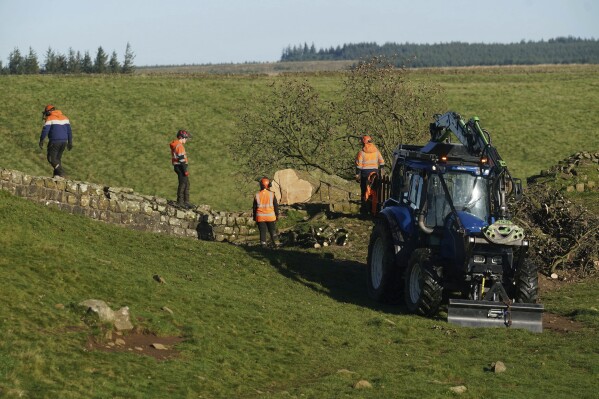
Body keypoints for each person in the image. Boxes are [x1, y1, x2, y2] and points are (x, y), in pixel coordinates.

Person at [39, 105, 73, 178]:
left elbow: (45, 130)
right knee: (57, 159)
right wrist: (70, 142)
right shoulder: (65, 118)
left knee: (51, 158)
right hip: (64, 142)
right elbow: (69, 131)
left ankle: (61, 172)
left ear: (49, 111)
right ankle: (57, 176)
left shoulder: (50, 118)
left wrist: (41, 140)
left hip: (55, 141)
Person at [355, 135, 385, 214]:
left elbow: (359, 166)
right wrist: (380, 171)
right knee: (374, 192)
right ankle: (374, 209)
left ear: (363, 142)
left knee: (364, 191)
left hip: (365, 174)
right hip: (375, 174)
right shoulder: (377, 151)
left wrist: (357, 175)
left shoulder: (361, 153)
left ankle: (364, 209)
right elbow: (382, 163)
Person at [253, 177, 280, 248]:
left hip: (260, 217)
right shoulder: (272, 194)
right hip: (271, 217)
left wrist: (254, 218)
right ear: (268, 185)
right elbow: (276, 206)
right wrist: (277, 215)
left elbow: (254, 208)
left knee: (262, 232)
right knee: (273, 231)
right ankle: (277, 244)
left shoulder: (257, 195)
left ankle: (263, 246)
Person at [169, 129, 193, 209]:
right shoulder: (180, 146)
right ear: (182, 138)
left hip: (178, 166)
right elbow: (181, 159)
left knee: (186, 183)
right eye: (186, 138)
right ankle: (180, 202)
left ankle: (186, 201)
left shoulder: (177, 145)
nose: (186, 140)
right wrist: (185, 170)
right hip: (180, 166)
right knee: (183, 184)